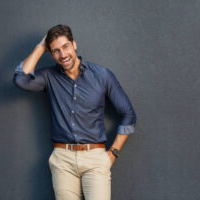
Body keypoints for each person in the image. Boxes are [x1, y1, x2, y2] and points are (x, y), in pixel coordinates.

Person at [13, 24, 136, 200]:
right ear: (51, 53)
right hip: (62, 159)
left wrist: (114, 152)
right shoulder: (48, 77)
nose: (63, 55)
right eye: (55, 51)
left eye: (65, 47)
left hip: (95, 158)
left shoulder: (102, 75)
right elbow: (21, 80)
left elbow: (129, 114)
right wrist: (40, 47)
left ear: (74, 44)